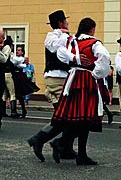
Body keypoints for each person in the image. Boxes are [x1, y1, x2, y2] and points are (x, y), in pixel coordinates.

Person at [49, 18, 110, 165]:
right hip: (86, 80)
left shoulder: (72, 41)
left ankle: (80, 153)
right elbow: (104, 57)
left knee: (78, 118)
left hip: (72, 79)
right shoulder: (94, 43)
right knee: (86, 118)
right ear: (92, 29)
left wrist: (74, 58)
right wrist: (96, 73)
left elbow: (60, 53)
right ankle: (63, 143)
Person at [27, 10, 83, 162]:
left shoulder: (66, 37)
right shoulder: (53, 36)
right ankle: (46, 141)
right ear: (60, 23)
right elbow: (55, 47)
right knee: (66, 117)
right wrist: (66, 36)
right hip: (56, 78)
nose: (68, 24)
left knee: (67, 117)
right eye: (65, 21)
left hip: (64, 78)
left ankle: (63, 146)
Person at [9, 45, 39, 118]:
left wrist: (11, 56)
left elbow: (15, 62)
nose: (17, 51)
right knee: (15, 93)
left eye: (19, 50)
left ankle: (23, 109)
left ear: (22, 52)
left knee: (19, 93)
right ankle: (16, 110)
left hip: (19, 76)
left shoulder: (21, 59)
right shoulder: (17, 59)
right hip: (14, 76)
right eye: (17, 50)